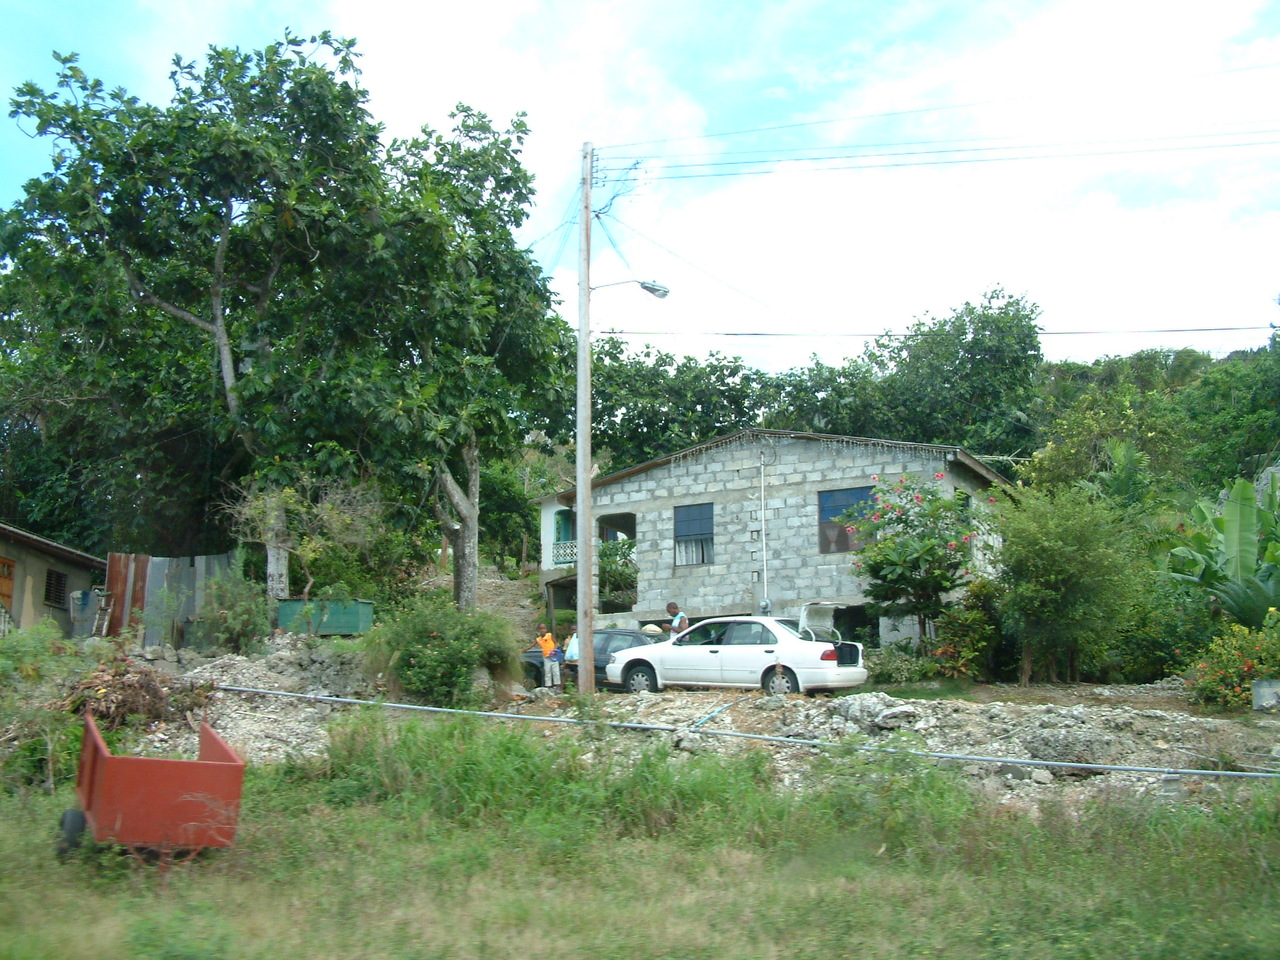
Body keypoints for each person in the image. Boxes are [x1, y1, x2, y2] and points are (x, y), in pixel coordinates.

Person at [528, 623, 561, 691]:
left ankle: (557, 686)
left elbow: (555, 643)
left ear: (546, 629)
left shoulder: (549, 635)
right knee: (547, 671)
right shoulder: (539, 639)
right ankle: (548, 686)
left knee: (555, 671)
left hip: (553, 656)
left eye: (544, 628)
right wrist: (522, 651)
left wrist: (554, 650)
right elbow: (531, 646)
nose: (542, 630)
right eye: (541, 629)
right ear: (538, 630)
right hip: (546, 657)